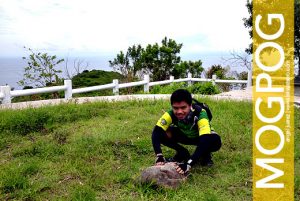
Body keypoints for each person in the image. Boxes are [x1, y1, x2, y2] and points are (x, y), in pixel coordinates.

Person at [151, 89, 222, 175]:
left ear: (190, 105)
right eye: (175, 108)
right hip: (185, 136)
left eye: (183, 107)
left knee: (214, 140)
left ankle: (206, 155)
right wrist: (159, 156)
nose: (179, 112)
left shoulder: (200, 113)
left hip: (201, 138)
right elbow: (156, 131)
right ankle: (182, 152)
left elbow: (204, 139)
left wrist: (188, 164)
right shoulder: (170, 114)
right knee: (162, 132)